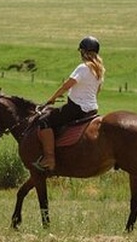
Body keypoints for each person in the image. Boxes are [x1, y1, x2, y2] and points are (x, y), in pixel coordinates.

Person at [33, 36, 105, 172]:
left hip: (76, 108)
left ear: (83, 52)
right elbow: (96, 91)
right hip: (92, 109)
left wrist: (52, 99)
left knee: (44, 121)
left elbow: (66, 86)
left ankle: (49, 158)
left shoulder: (83, 68)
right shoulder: (99, 70)